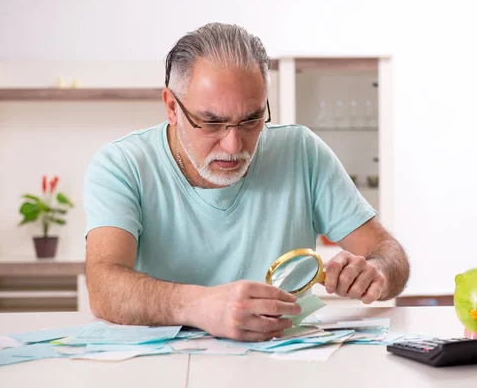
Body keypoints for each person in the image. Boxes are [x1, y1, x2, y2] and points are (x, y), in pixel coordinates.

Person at [83, 22, 410, 342]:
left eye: (252, 119)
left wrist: (376, 271)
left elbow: (389, 252)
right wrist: (199, 306)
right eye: (211, 123)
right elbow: (103, 286)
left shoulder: (301, 151)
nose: (234, 145)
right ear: (172, 107)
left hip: (285, 361)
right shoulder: (122, 165)